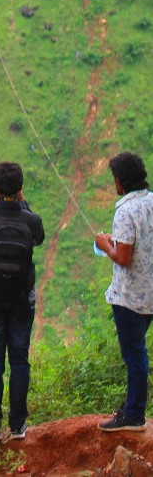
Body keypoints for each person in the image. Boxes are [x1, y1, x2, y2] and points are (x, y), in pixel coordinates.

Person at [0, 162, 44, 442]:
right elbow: (37, 240)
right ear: (21, 188)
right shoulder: (32, 220)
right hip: (22, 299)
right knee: (19, 360)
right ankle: (17, 426)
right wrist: (23, 204)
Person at [94, 153, 153, 433]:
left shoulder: (125, 211)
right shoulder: (151, 201)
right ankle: (133, 407)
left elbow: (123, 256)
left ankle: (134, 415)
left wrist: (105, 243)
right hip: (150, 293)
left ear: (120, 180)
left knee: (134, 356)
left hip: (129, 296)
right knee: (138, 352)